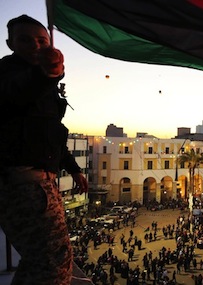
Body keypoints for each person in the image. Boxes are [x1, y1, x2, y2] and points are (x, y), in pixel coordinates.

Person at [0, 14, 88, 284]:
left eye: (42, 41)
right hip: (25, 184)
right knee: (54, 260)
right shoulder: (7, 74)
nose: (35, 46)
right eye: (25, 40)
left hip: (38, 183)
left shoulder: (44, 89)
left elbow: (53, 138)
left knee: (41, 259)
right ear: (10, 43)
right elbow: (16, 93)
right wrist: (45, 73)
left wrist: (74, 171)